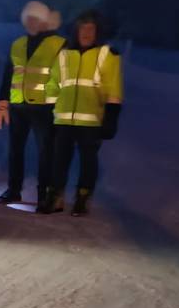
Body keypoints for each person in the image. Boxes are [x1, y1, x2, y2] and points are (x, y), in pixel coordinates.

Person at [43, 11, 123, 216]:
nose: (86, 33)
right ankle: (55, 197)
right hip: (63, 119)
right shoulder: (63, 55)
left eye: (91, 29)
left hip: (91, 122)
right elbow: (53, 84)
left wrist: (111, 118)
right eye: (83, 28)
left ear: (97, 32)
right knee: (59, 161)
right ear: (75, 31)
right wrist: (50, 112)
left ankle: (82, 198)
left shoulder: (107, 54)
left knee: (88, 162)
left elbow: (114, 89)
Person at [0, 1, 65, 209]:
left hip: (45, 107)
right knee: (15, 150)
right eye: (28, 18)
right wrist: (2, 104)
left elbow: (62, 77)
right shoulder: (17, 44)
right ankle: (13, 189)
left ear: (45, 21)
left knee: (46, 152)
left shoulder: (59, 44)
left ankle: (45, 194)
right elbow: (8, 74)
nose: (31, 22)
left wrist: (58, 106)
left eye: (36, 18)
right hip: (18, 106)